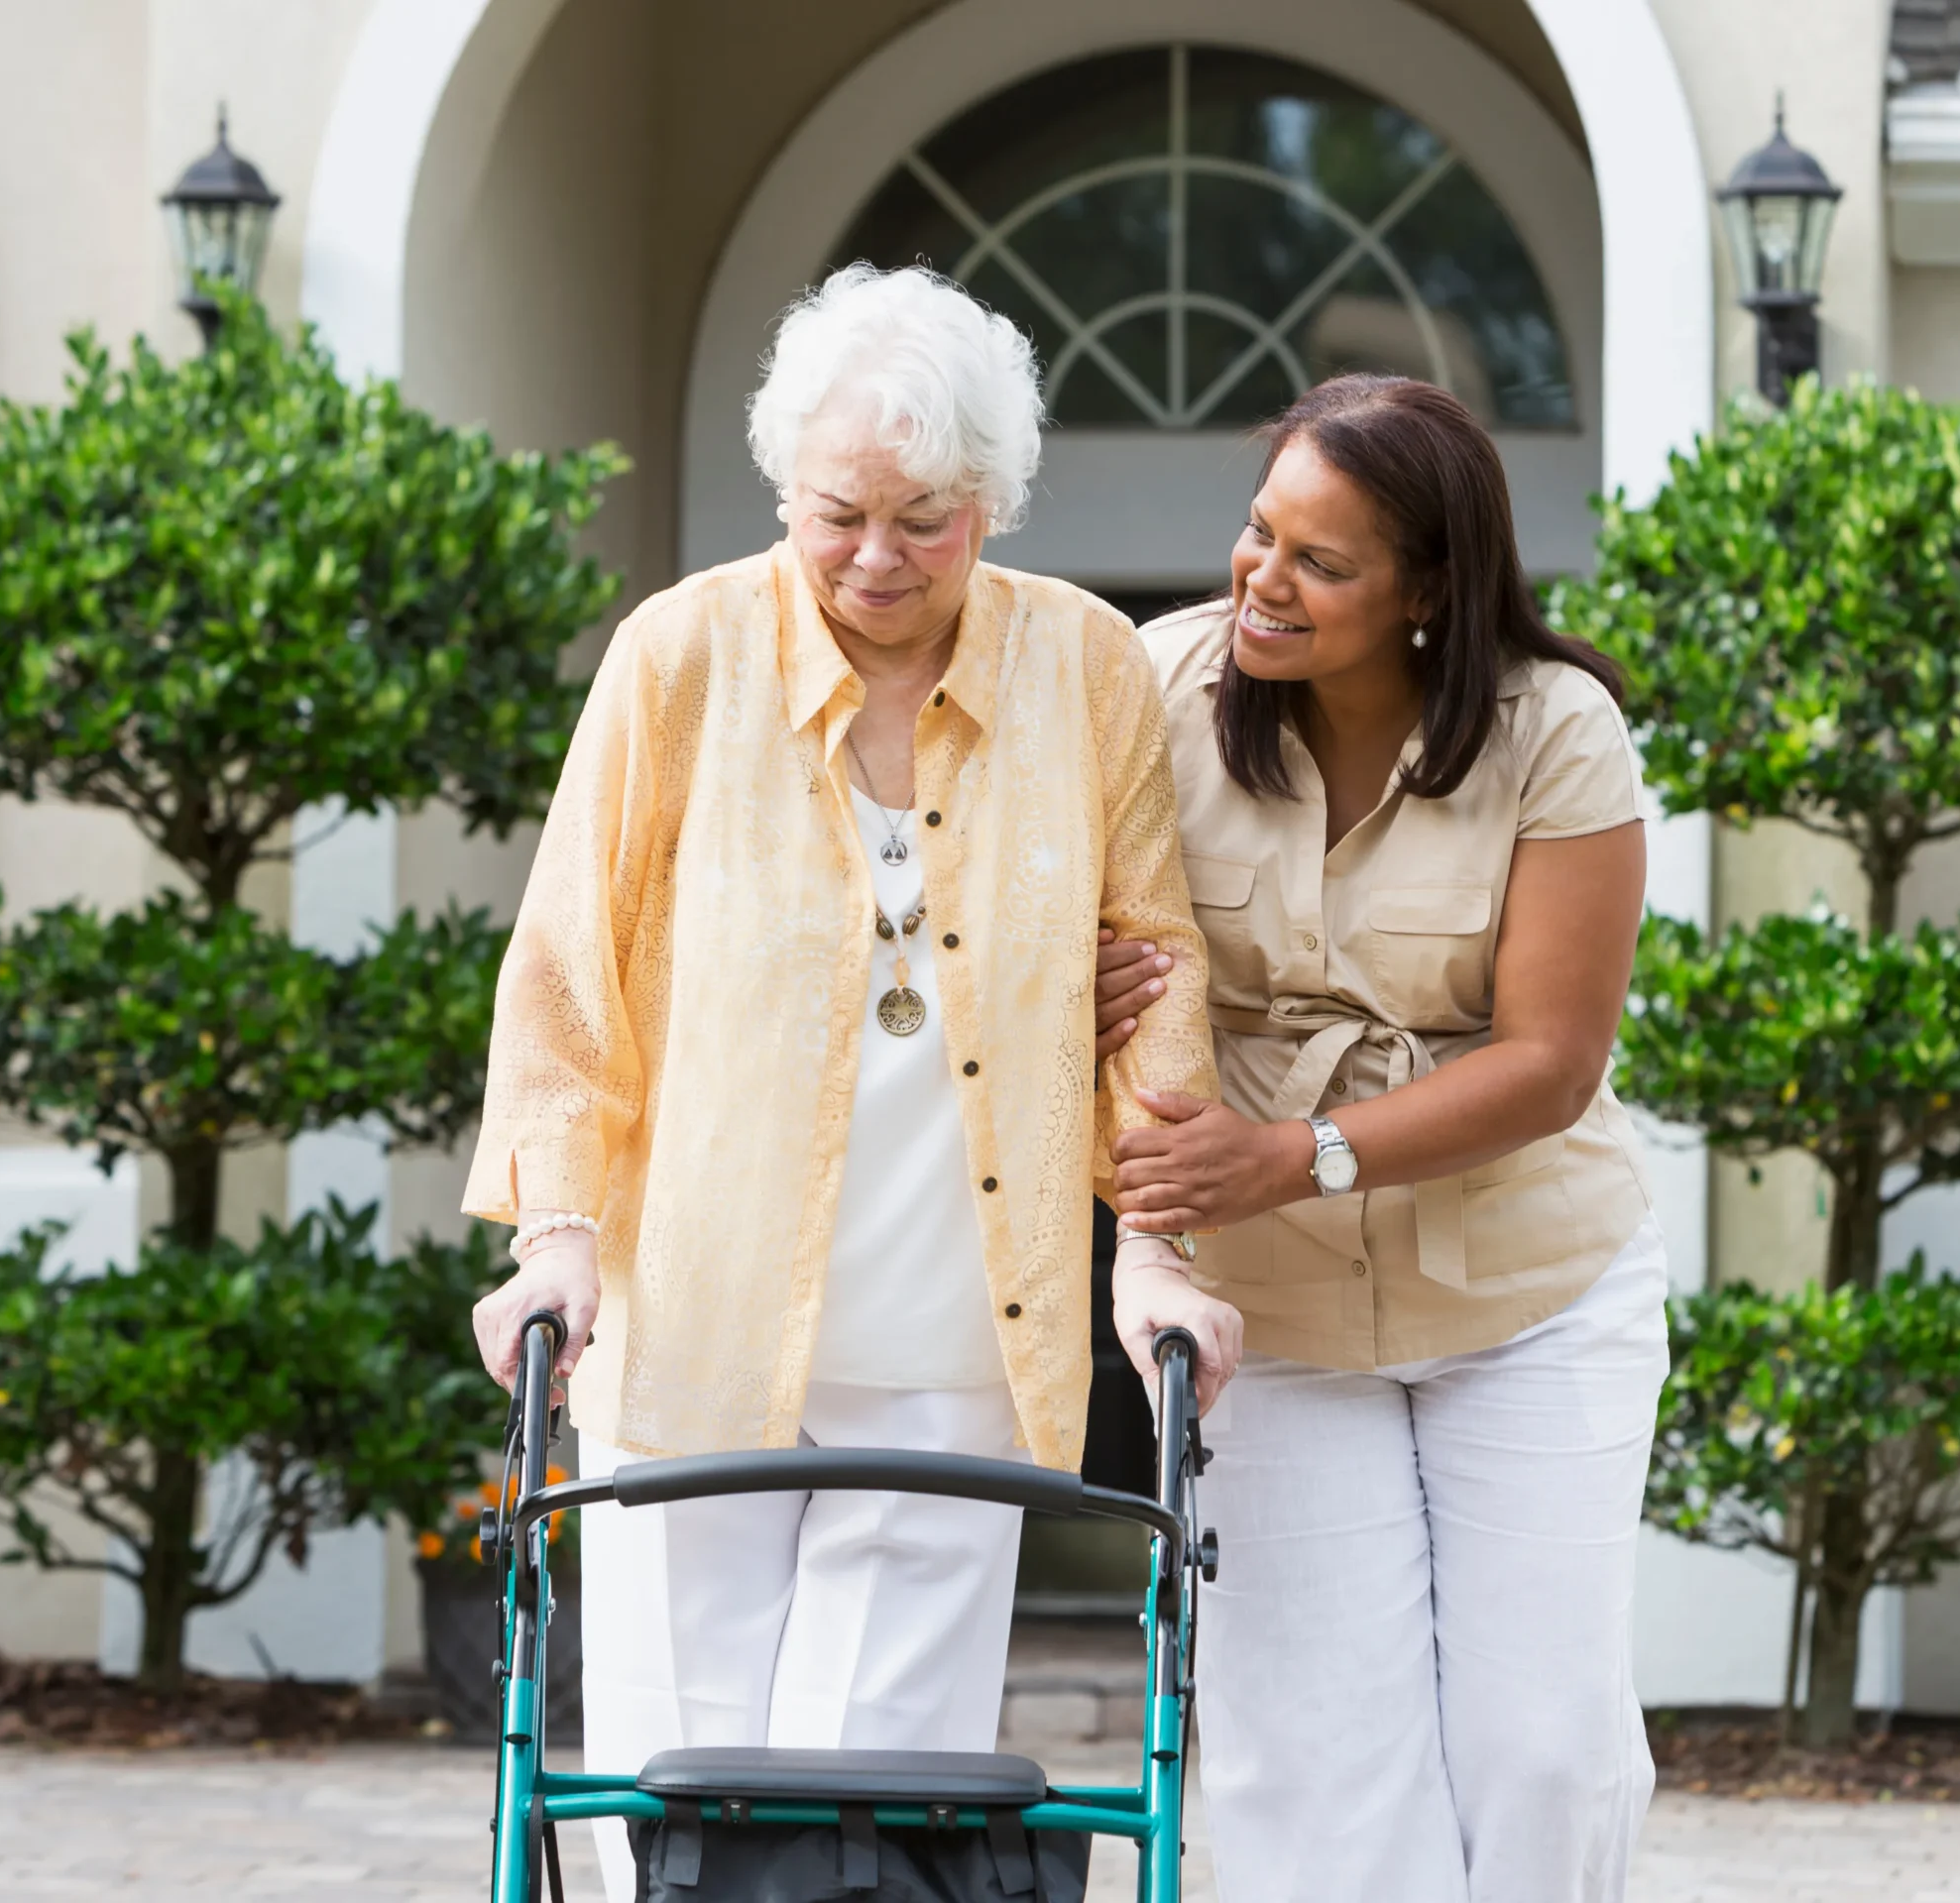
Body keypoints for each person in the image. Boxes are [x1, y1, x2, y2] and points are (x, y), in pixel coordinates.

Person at [462, 263, 1241, 1901]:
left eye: (929, 519)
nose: (878, 560)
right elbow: (565, 972)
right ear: (781, 486)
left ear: (996, 503)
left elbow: (1152, 971)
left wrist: (1159, 1256)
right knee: (674, 1800)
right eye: (838, 517)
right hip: (695, 1327)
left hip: (963, 1342)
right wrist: (554, 1236)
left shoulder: (1086, 670)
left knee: (870, 1817)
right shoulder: (678, 659)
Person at [1097, 375, 1667, 1902]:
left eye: (1322, 562)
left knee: (1544, 1751)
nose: (1262, 580)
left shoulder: (1559, 733)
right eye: (1258, 531)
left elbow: (1550, 1062)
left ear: (1428, 588)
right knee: (1314, 1761)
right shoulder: (1155, 690)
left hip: (1531, 1299)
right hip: (1265, 1313)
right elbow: (1047, 926)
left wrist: (1296, 1155)